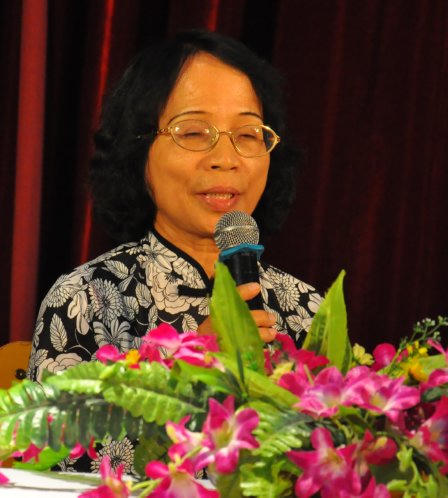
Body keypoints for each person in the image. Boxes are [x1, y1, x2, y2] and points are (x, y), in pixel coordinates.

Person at [27, 30, 322, 472]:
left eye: (247, 134)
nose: (226, 158)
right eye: (195, 132)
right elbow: (60, 473)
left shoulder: (306, 309)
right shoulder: (87, 301)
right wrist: (194, 368)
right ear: (138, 149)